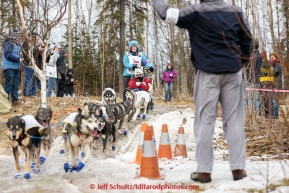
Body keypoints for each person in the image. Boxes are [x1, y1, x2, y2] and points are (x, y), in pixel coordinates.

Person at [152, 0, 253, 182]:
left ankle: (204, 171)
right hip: (233, 72)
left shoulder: (195, 12)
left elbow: (166, 14)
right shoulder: (235, 11)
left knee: (205, 121)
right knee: (235, 121)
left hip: (207, 74)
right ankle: (238, 169)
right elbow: (248, 41)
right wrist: (240, 62)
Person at [1, 30, 23, 106]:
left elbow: (19, 56)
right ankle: (4, 102)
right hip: (9, 67)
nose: (18, 37)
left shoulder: (18, 45)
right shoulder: (9, 43)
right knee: (9, 84)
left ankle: (15, 101)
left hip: (16, 67)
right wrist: (17, 59)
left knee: (16, 84)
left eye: (19, 36)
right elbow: (7, 54)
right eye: (16, 36)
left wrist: (20, 64)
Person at [243, 39, 262, 114]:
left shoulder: (250, 55)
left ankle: (248, 114)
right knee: (255, 98)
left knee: (246, 98)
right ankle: (256, 114)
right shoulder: (259, 55)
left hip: (248, 79)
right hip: (256, 79)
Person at [22, 33, 41, 98]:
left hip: (33, 64)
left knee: (33, 78)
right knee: (29, 78)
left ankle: (30, 93)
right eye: (36, 38)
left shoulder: (34, 45)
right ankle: (29, 93)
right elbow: (26, 54)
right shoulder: (26, 43)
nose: (37, 39)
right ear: (32, 37)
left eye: (38, 38)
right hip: (28, 64)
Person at [269, 52, 282, 119]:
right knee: (273, 100)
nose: (271, 59)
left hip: (276, 85)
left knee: (275, 101)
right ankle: (274, 114)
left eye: (272, 57)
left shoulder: (277, 65)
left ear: (276, 58)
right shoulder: (273, 65)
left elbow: (274, 73)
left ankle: (275, 116)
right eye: (270, 57)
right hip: (273, 85)